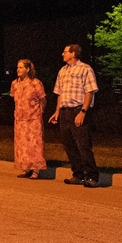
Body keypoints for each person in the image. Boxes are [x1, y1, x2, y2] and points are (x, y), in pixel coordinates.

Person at [48, 44, 100, 188]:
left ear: (73, 53)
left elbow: (89, 91)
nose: (62, 54)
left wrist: (83, 112)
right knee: (69, 145)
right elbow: (59, 93)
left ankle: (92, 176)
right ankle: (78, 174)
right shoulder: (62, 71)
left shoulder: (85, 69)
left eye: (65, 52)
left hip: (77, 110)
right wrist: (57, 111)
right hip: (65, 112)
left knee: (83, 145)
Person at [11, 59, 47, 179]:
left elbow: (42, 99)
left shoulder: (36, 83)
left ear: (28, 69)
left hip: (33, 118)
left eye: (21, 67)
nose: (18, 70)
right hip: (20, 119)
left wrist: (40, 111)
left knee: (34, 144)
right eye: (17, 67)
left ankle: (36, 170)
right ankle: (26, 168)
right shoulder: (15, 84)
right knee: (22, 145)